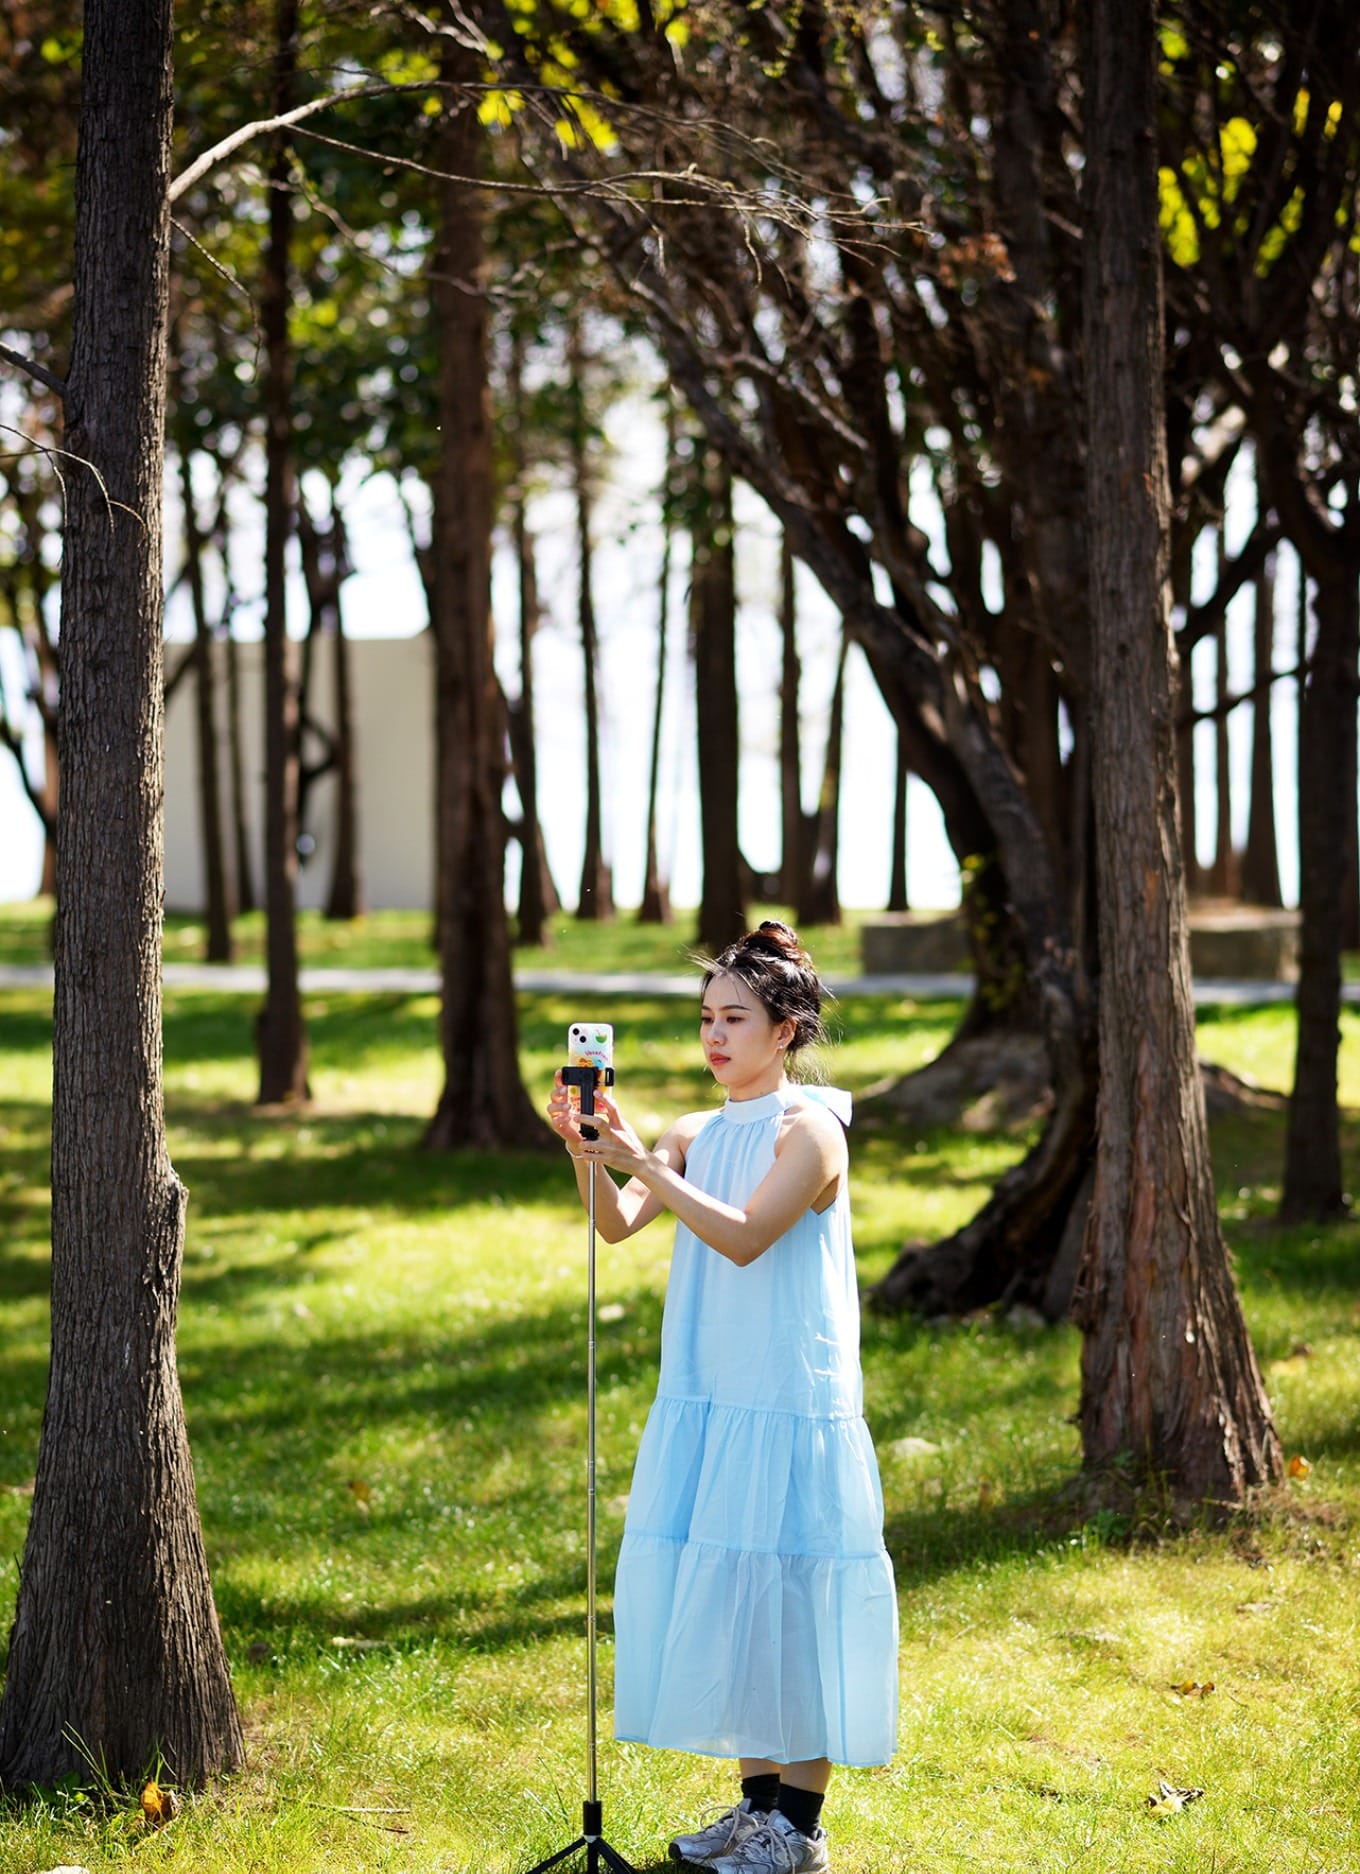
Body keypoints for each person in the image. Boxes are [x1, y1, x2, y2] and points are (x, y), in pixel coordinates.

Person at [547, 921, 898, 1874]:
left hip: (788, 1397)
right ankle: (756, 1812)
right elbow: (619, 1226)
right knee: (742, 1585)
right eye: (706, 1017)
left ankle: (801, 1829)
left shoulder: (813, 1131)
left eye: (734, 1018)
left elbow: (745, 1237)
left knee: (792, 1592)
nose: (714, 1036)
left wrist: (645, 1161)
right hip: (710, 1390)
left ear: (784, 1030)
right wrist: (588, 1152)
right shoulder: (695, 1130)